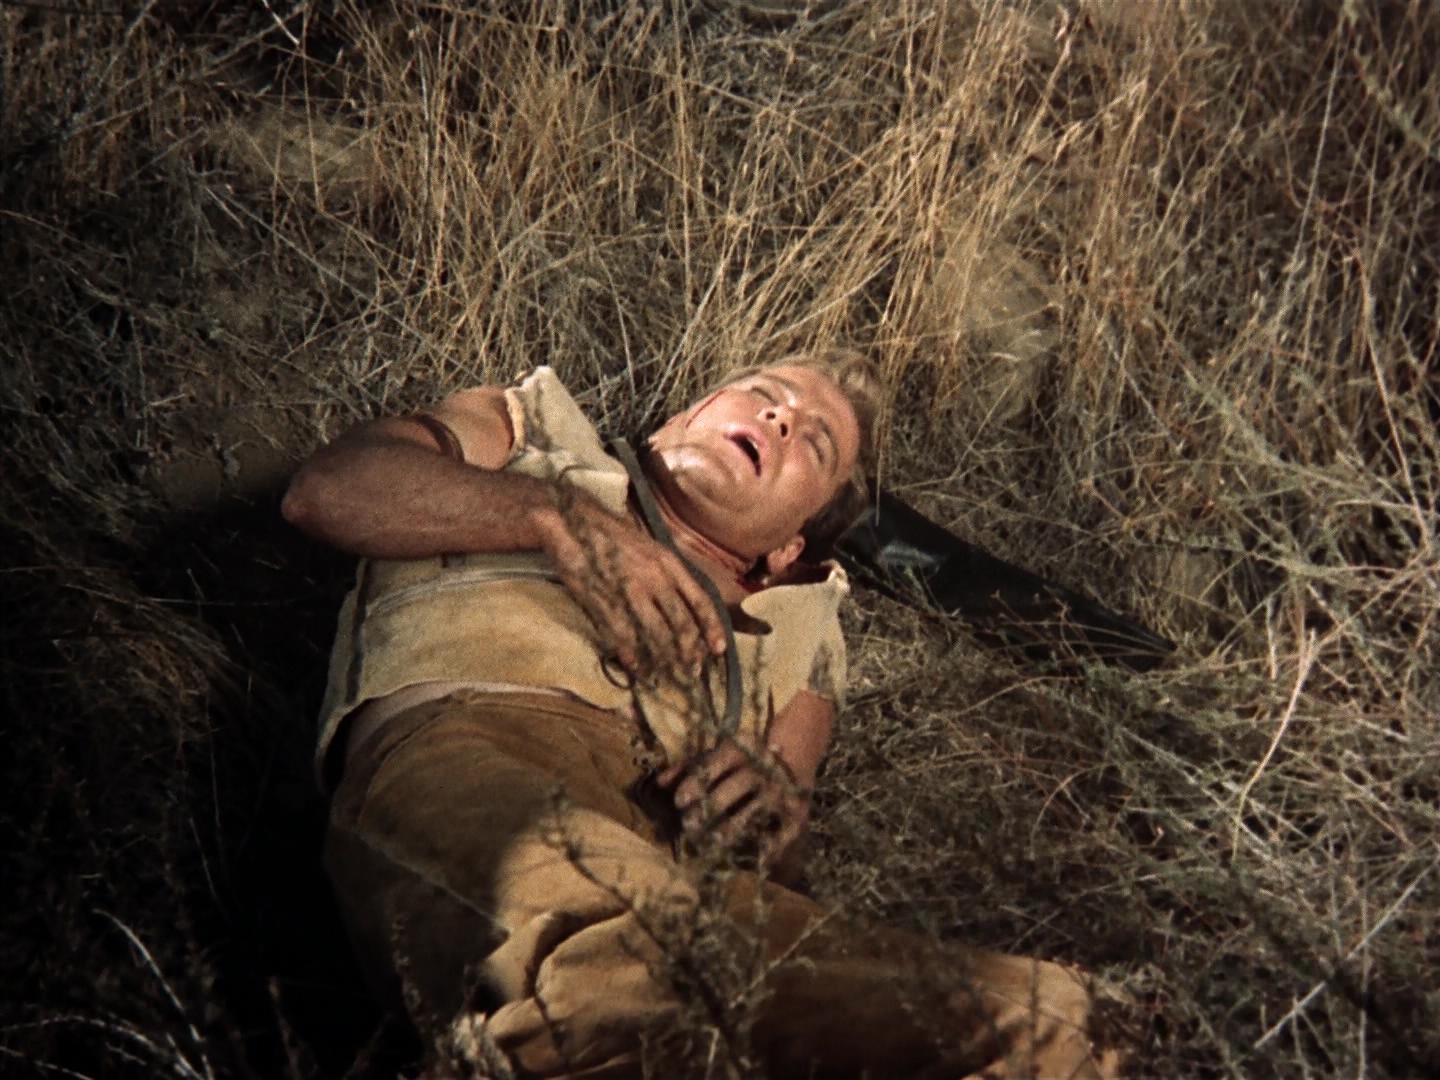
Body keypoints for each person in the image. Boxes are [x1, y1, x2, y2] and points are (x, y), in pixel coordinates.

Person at [283, 350, 1121, 1079]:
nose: (780, 419)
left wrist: (772, 811)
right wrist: (556, 519)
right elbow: (328, 491)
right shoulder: (530, 433)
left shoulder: (801, 630)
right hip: (476, 758)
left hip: (683, 886)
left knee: (1067, 1022)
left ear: (789, 547)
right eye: (763, 394)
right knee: (632, 962)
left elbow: (781, 853)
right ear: (681, 417)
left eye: (814, 443)